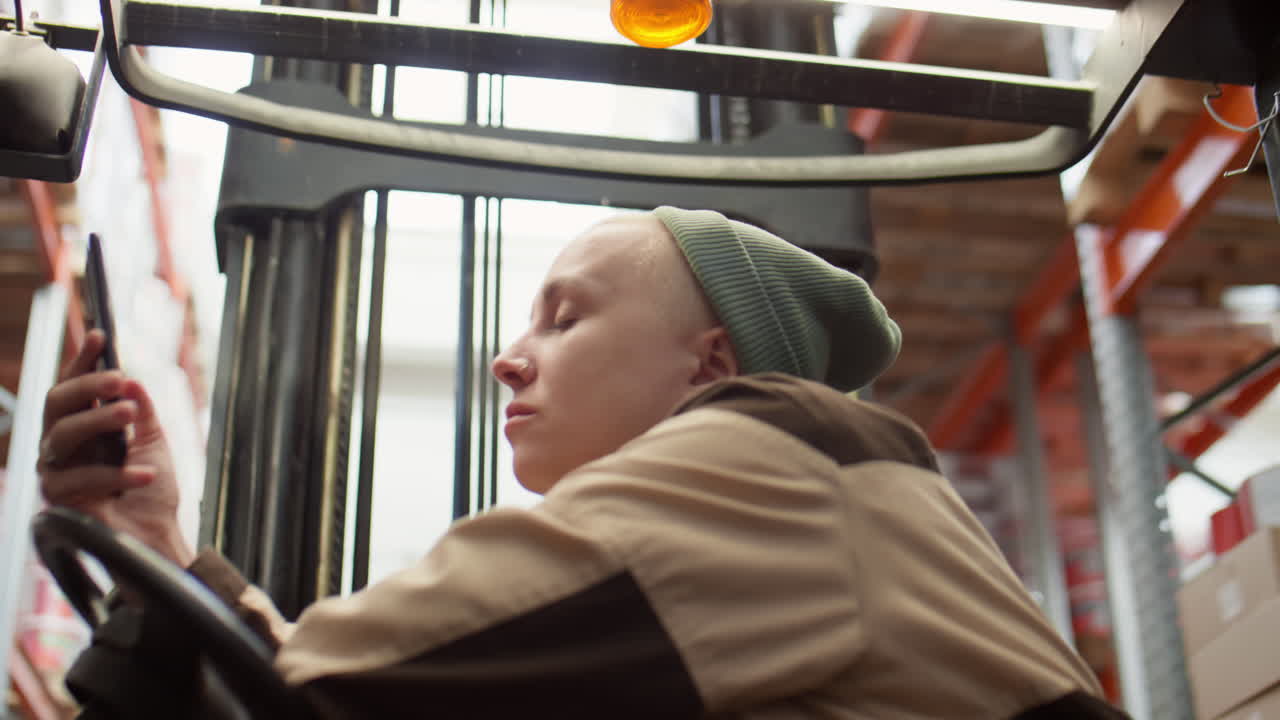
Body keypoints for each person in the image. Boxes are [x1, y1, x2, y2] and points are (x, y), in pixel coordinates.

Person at [39, 207, 1126, 719]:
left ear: (710, 367)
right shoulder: (734, 581)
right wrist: (156, 544)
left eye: (565, 320)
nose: (508, 359)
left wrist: (168, 600)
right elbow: (344, 685)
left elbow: (340, 688)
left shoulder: (788, 444)